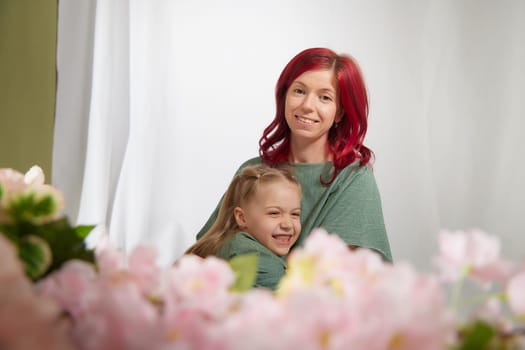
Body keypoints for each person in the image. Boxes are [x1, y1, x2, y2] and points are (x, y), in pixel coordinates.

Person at [197, 47, 392, 263]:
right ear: (284, 97)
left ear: (339, 112)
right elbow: (208, 249)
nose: (308, 106)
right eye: (299, 91)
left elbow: (337, 275)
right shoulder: (252, 171)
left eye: (324, 97)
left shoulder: (353, 177)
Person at [186, 164, 302, 290]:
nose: (287, 224)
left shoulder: (232, 242)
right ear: (242, 218)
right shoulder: (252, 254)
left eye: (295, 214)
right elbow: (293, 301)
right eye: (274, 213)